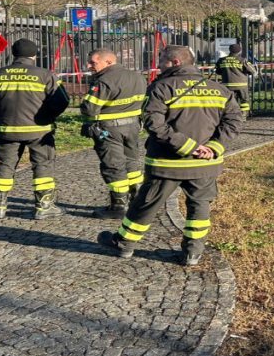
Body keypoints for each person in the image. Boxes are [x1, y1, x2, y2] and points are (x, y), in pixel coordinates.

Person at [97, 45, 243, 265]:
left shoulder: (161, 87)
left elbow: (153, 124)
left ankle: (124, 243)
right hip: (205, 163)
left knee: (146, 205)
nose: (158, 64)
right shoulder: (218, 89)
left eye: (162, 59)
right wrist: (214, 147)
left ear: (175, 62)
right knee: (199, 206)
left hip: (168, 162)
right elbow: (234, 121)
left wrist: (187, 146)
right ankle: (193, 253)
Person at [0, 38, 70, 220]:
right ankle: (44, 206)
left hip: (6, 129)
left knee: (5, 166)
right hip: (39, 130)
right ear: (35, 55)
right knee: (43, 164)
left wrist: (0, 112)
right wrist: (47, 115)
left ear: (13, 54)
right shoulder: (45, 75)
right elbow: (62, 101)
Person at [80, 48, 147, 219]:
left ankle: (118, 206)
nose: (89, 66)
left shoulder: (104, 80)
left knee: (113, 166)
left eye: (93, 62)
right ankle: (136, 199)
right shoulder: (138, 77)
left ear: (108, 62)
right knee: (131, 162)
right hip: (133, 127)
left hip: (110, 130)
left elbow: (89, 109)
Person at [214, 43, 256, 118]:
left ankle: (231, 115)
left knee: (230, 101)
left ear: (229, 50)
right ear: (239, 51)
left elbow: (217, 71)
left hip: (228, 85)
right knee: (244, 101)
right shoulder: (242, 60)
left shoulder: (222, 60)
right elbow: (252, 71)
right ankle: (243, 115)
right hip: (241, 85)